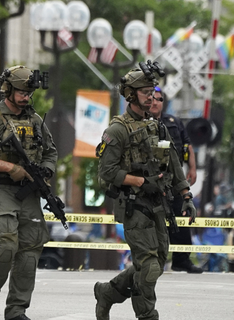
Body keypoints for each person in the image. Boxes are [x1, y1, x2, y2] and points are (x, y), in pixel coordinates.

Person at [94, 66, 196, 320]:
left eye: (153, 92)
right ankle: (147, 315)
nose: (151, 98)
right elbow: (105, 171)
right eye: (145, 93)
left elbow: (173, 161)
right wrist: (138, 181)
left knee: (156, 262)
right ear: (130, 95)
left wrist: (186, 195)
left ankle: (108, 292)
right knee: (149, 266)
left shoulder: (156, 126)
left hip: (158, 204)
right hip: (133, 205)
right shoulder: (118, 129)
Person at [0, 65, 57, 320]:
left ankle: (17, 310)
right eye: (20, 91)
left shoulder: (35, 119)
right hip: (2, 190)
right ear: (8, 89)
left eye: (28, 92)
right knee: (7, 244)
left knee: (30, 252)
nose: (25, 96)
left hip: (29, 193)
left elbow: (50, 152)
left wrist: (46, 172)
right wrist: (11, 168)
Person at [149, 87, 202, 274]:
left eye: (159, 99)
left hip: (174, 182)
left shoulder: (174, 122)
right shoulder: (140, 124)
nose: (155, 102)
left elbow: (187, 146)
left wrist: (193, 168)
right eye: (152, 99)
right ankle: (152, 261)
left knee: (181, 218)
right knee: (152, 222)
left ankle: (182, 260)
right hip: (152, 183)